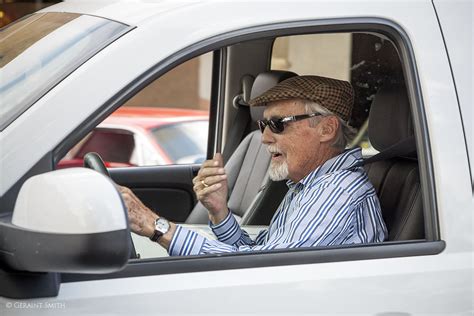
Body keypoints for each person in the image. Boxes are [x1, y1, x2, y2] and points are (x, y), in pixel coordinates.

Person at [119, 75, 387, 256]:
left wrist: (155, 226)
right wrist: (220, 212)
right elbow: (261, 253)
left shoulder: (336, 193)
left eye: (278, 124)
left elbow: (261, 268)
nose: (265, 138)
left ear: (326, 129)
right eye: (263, 125)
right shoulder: (311, 186)